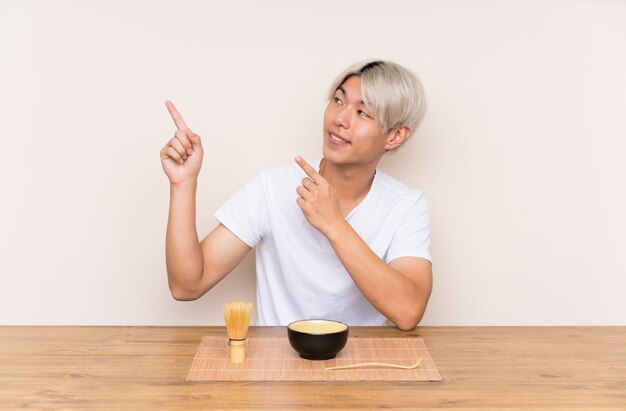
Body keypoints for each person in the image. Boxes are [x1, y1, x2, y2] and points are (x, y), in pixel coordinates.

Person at [160, 60, 432, 330]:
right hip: (276, 365)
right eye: (338, 100)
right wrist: (183, 184)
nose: (339, 119)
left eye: (362, 113)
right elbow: (187, 285)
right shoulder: (271, 187)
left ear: (395, 136)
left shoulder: (406, 205)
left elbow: (408, 312)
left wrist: (334, 223)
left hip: (364, 366)